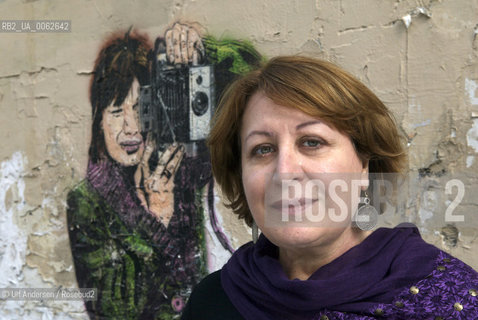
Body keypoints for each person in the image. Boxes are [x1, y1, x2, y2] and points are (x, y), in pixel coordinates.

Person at [181, 56, 478, 319]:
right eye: (262, 149)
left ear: (364, 167)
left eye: (312, 142)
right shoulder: (214, 300)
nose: (284, 173)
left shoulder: (449, 299)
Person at [67, 29, 212, 318]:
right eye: (117, 111)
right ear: (99, 120)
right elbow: (115, 310)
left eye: (139, 109)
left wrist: (198, 57)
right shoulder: (87, 203)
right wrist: (158, 218)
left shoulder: (179, 175)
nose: (131, 127)